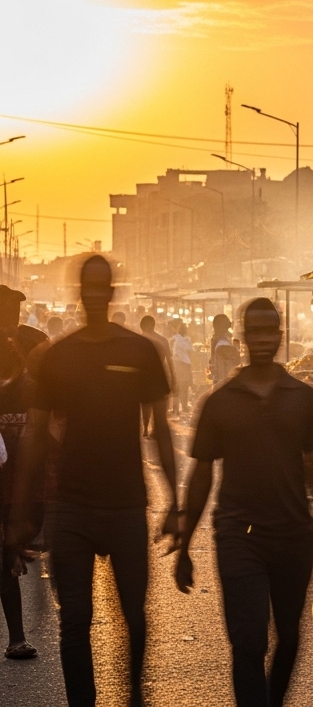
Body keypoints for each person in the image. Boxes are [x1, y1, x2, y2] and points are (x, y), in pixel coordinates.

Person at [4, 255, 179, 706]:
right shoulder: (59, 356)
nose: (97, 294)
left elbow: (160, 428)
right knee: (75, 621)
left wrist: (175, 501)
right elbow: (37, 440)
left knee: (135, 620)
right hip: (72, 506)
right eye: (90, 287)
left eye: (103, 286)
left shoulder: (138, 351)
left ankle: (135, 694)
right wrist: (23, 515)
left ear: (112, 291)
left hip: (125, 502)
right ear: (82, 293)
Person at [176, 298, 313, 707]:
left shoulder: (303, 397)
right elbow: (201, 475)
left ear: (280, 336)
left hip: (293, 533)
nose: (264, 339)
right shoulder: (220, 400)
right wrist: (184, 544)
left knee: (288, 637)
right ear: (242, 337)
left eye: (271, 331)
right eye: (255, 331)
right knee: (247, 641)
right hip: (238, 534)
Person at [0, 286, 45, 660]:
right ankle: (16, 636)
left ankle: (17, 636)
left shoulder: (35, 342)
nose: (9, 313)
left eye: (13, 307)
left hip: (23, 458)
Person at [170, 322, 194, 415]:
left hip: (177, 364)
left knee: (177, 385)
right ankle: (184, 406)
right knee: (185, 386)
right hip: (185, 364)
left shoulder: (174, 339)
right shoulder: (187, 340)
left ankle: (175, 408)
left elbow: (170, 348)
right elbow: (190, 352)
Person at [210, 314, 240, 383]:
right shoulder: (222, 344)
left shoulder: (219, 341)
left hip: (222, 382)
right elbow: (238, 359)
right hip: (224, 383)